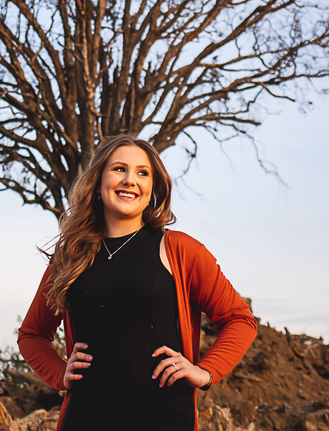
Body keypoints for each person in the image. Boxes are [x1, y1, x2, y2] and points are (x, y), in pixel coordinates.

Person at [18, 134, 257, 431]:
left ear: (152, 187)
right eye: (119, 169)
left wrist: (206, 372)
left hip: (165, 419)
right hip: (85, 419)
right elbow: (31, 334)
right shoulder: (70, 256)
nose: (130, 180)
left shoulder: (180, 250)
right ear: (98, 181)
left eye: (142, 173)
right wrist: (59, 373)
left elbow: (240, 319)